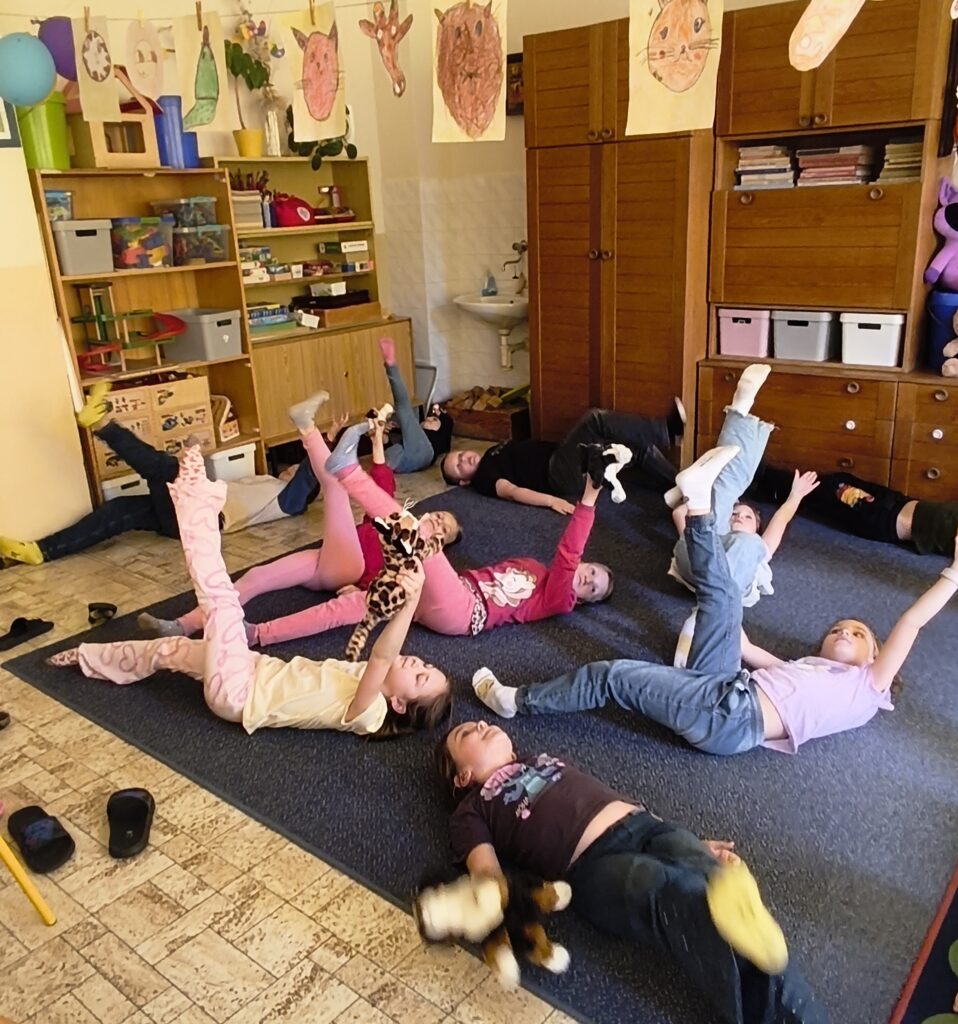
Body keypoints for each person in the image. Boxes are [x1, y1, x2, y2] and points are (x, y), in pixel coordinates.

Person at [471, 444, 958, 756]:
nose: (844, 631)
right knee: (724, 597)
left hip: (729, 717)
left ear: (875, 657)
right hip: (729, 683)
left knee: (611, 675)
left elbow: (911, 623)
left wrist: (953, 576)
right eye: (838, 628)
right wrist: (720, 619)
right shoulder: (808, 668)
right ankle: (700, 503)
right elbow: (748, 649)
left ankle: (519, 702)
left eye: (857, 633)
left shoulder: (870, 686)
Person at [47, 442, 452, 740]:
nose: (418, 663)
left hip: (238, 694)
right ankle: (87, 658)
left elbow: (382, 655)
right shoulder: (365, 678)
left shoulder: (369, 713)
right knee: (172, 650)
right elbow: (378, 653)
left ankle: (195, 502)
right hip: (251, 667)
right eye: (426, 665)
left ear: (399, 704)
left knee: (221, 602)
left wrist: (412, 600)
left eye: (420, 677)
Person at [435, 718, 826, 1023]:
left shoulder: (538, 758)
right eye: (468, 733)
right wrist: (502, 910)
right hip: (591, 865)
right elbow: (487, 879)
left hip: (646, 826)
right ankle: (762, 1003)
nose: (482, 724)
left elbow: (607, 795)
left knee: (712, 880)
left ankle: (787, 991)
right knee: (669, 890)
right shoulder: (472, 810)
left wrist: (691, 841)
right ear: (462, 776)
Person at [246, 413, 616, 647]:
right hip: (443, 591)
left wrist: (588, 498)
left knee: (412, 535)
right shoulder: (531, 566)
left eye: (592, 588)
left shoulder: (559, 600)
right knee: (352, 608)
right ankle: (260, 634)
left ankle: (348, 472)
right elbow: (476, 577)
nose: (587, 580)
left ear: (582, 601)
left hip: (463, 611)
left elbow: (568, 555)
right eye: (592, 573)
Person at [139, 392, 460, 639]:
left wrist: (360, 590)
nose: (438, 521)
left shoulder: (413, 559)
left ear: (438, 547)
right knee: (256, 577)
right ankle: (182, 625)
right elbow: (381, 484)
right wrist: (376, 439)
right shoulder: (397, 521)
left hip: (351, 567)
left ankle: (306, 425)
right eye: (441, 515)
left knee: (335, 487)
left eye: (443, 529)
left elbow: (391, 586)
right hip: (329, 559)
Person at [0, 383, 321, 567]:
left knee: (164, 468)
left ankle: (101, 424)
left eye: (296, 471)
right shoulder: (267, 481)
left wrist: (324, 439)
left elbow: (315, 469)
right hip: (188, 510)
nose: (290, 468)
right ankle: (40, 551)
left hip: (200, 519)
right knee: (120, 510)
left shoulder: (290, 502)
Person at [667, 364, 816, 609]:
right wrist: (795, 495)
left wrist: (688, 505)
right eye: (737, 513)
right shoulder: (724, 523)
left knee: (744, 541)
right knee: (726, 490)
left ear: (757, 528)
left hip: (706, 568)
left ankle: (693, 492)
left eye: (747, 517)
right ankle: (741, 406)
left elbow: (679, 516)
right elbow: (780, 517)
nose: (738, 516)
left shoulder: (756, 546)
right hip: (705, 550)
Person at [439, 401, 686, 513]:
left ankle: (683, 488)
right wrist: (550, 501)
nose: (464, 459)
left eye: (459, 455)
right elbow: (512, 492)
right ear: (463, 481)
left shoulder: (492, 452)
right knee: (594, 420)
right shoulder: (484, 477)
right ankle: (666, 430)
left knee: (634, 447)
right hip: (557, 473)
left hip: (567, 458)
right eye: (458, 467)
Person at [749, 462, 958, 559]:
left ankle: (762, 481)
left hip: (884, 518)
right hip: (900, 503)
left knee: (831, 487)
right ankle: (765, 485)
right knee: (837, 482)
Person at [377, 336, 453, 473]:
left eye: (434, 420)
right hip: (403, 462)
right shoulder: (413, 437)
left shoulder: (439, 440)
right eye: (429, 418)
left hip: (423, 453)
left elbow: (447, 424)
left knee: (404, 406)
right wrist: (383, 433)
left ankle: (391, 366)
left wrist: (441, 414)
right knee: (393, 447)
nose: (428, 419)